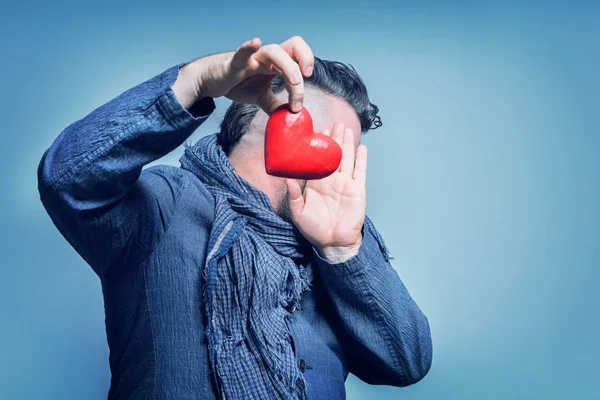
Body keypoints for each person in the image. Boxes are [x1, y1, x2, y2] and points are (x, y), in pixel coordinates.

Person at [37, 36, 432, 400]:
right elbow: (67, 178)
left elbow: (407, 363)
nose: (342, 170)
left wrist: (343, 249)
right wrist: (195, 82)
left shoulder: (337, 260)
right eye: (337, 147)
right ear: (278, 124)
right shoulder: (166, 205)